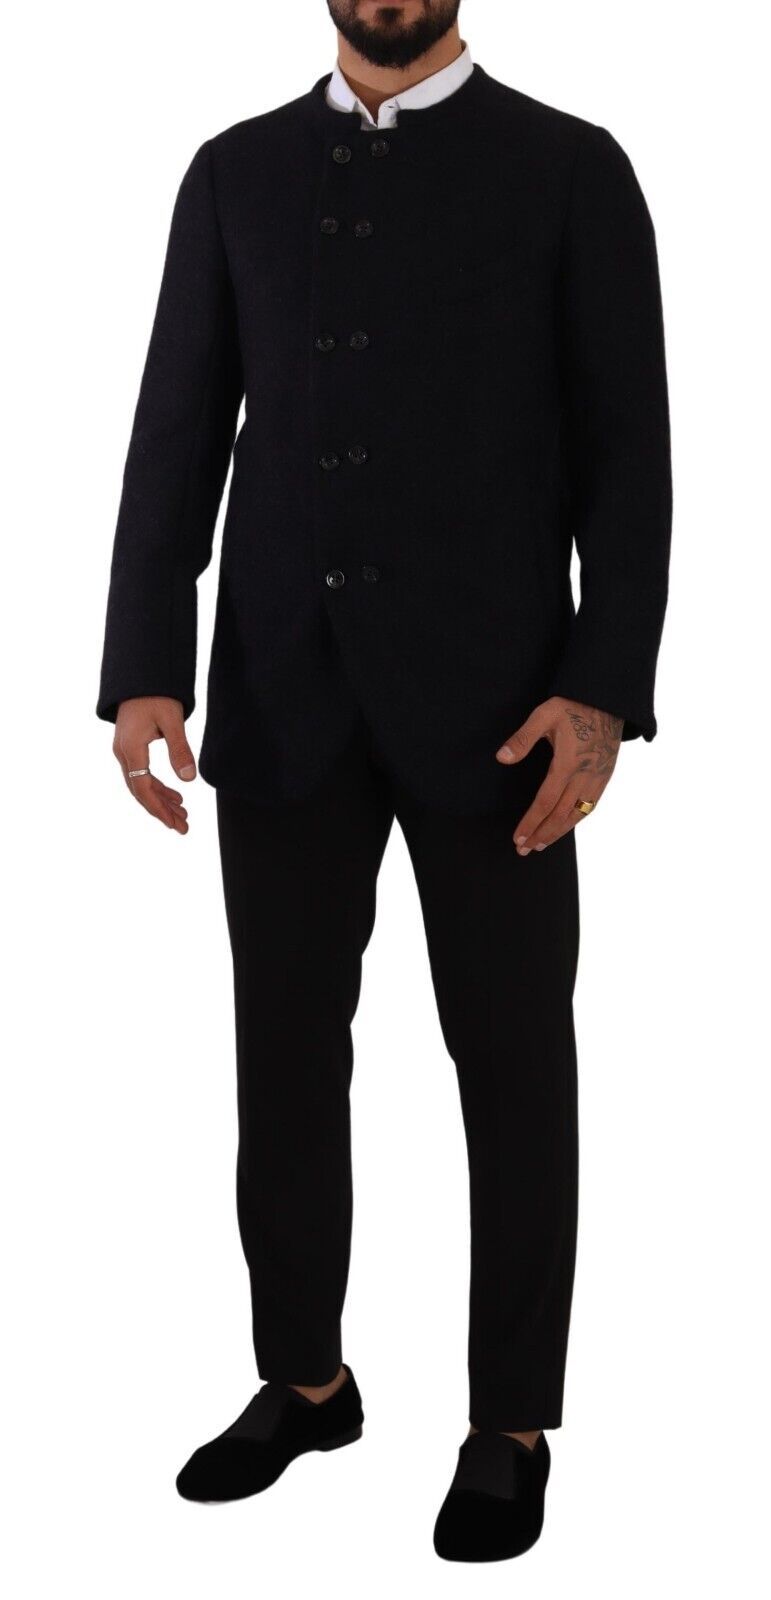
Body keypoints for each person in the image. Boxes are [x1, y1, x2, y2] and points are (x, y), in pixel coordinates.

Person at [96, 0, 671, 1563]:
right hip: (279, 694)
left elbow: (629, 454)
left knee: (515, 1066)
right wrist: (145, 664)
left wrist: (602, 693)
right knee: (282, 1058)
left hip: (503, 715)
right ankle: (307, 1381)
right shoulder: (232, 172)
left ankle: (512, 1424)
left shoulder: (571, 168)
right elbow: (176, 430)